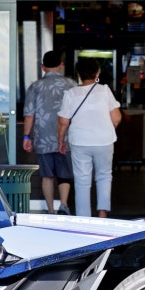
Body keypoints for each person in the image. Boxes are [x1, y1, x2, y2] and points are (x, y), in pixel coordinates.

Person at [57, 57, 122, 218]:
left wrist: (60, 140)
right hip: (105, 140)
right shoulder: (105, 90)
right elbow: (117, 117)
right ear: (97, 72)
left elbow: (63, 121)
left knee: (82, 180)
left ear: (78, 74)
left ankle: (84, 218)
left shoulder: (70, 93)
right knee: (104, 175)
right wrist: (105, 128)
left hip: (79, 141)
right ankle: (102, 212)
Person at [22, 50, 75, 214]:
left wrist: (26, 136)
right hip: (66, 136)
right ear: (61, 65)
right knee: (64, 173)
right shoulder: (71, 85)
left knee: (47, 175)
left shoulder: (35, 87)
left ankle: (51, 210)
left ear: (43, 67)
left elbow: (29, 114)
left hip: (42, 137)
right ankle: (64, 204)